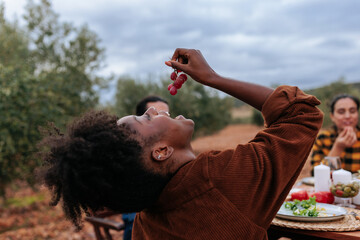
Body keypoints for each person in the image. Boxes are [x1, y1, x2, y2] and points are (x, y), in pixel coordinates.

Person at [38, 48, 323, 239]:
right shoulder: (218, 179)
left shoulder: (146, 222)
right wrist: (213, 78)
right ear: (161, 152)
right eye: (145, 119)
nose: (151, 111)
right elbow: (302, 113)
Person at [122, 95, 169, 240]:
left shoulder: (174, 147)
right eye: (156, 115)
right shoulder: (130, 155)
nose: (164, 119)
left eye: (167, 115)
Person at [311, 94, 360, 173]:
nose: (347, 116)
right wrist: (338, 147)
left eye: (352, 111)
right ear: (332, 116)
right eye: (341, 112)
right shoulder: (323, 138)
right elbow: (316, 174)